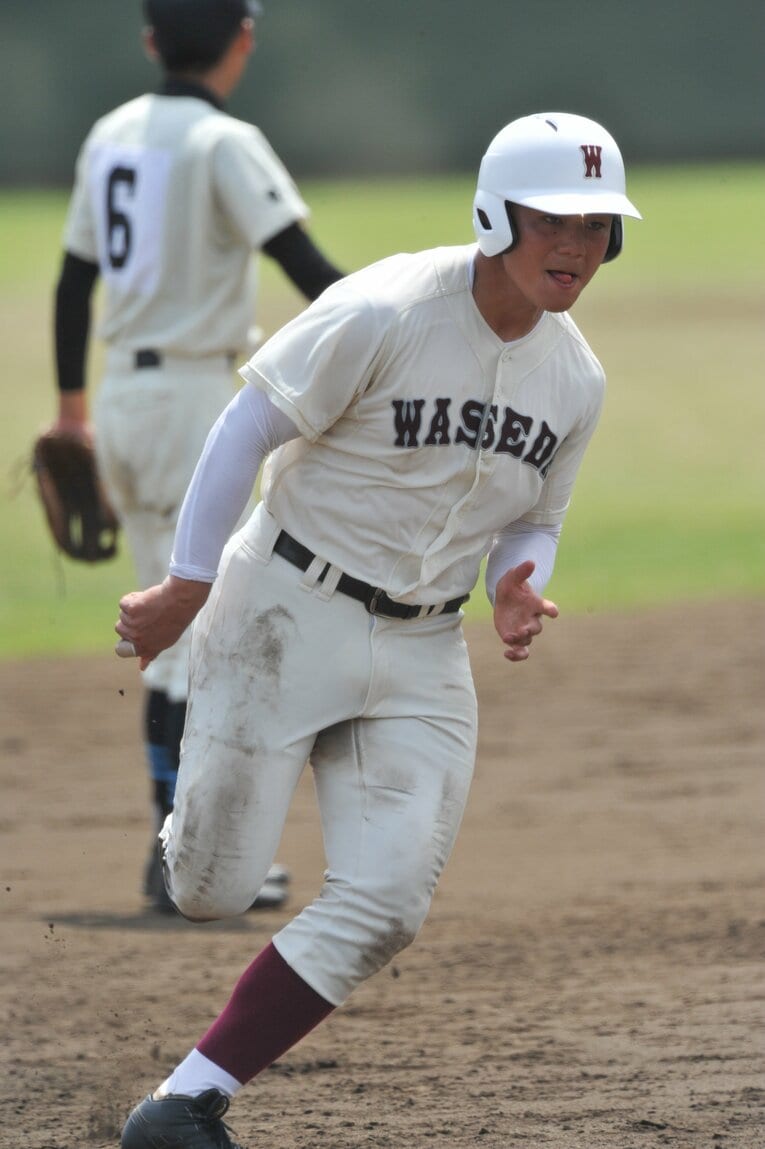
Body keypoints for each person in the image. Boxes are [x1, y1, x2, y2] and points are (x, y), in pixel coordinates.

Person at [115, 110, 641, 1147]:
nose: (578, 246)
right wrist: (185, 584)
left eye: (598, 225)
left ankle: (185, 1104)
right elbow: (247, 426)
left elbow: (535, 514)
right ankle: (193, 828)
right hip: (280, 608)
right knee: (211, 892)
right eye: (555, 221)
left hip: (422, 650)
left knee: (388, 901)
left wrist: (518, 585)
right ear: (497, 214)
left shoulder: (575, 378)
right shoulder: (388, 307)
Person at [51, 0, 345, 912]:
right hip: (192, 404)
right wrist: (389, 335)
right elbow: (303, 263)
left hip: (123, 403)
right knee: (199, 634)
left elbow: (72, 280)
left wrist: (71, 415)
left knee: (173, 627)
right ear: (243, 38)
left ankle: (180, 846)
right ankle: (185, 855)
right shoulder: (226, 141)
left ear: (149, 42)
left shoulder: (111, 133)